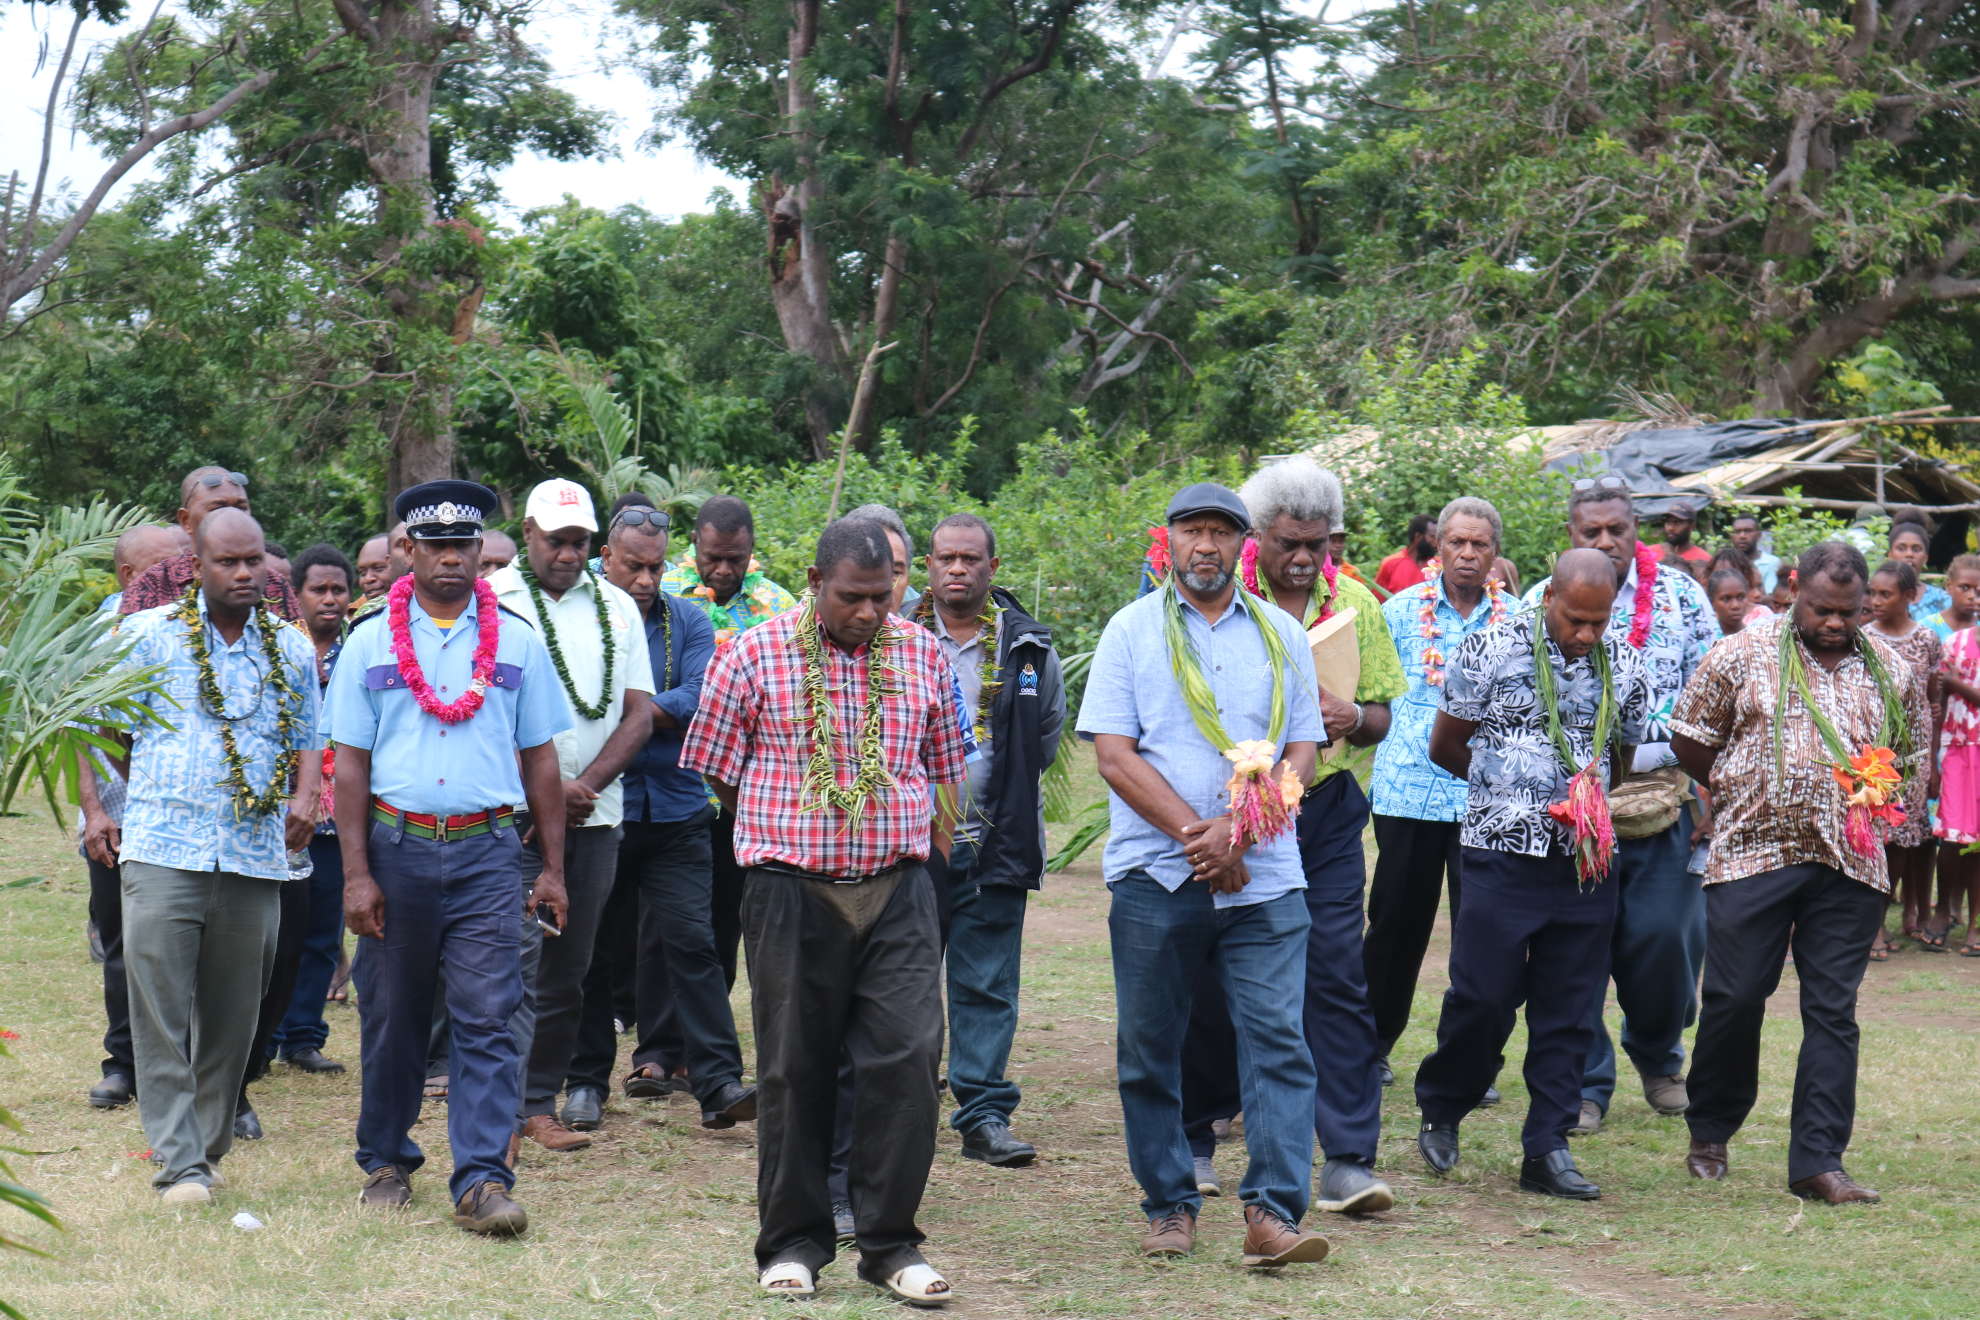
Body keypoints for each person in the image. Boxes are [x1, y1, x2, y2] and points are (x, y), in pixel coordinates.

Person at [681, 517, 966, 1305]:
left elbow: (945, 768)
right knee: (790, 1069)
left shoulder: (921, 653)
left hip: (899, 888)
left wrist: (905, 843)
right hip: (788, 888)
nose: (871, 613)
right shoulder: (753, 653)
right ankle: (793, 1243)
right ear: (814, 581)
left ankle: (889, 1243)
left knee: (908, 1062)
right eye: (852, 598)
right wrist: (787, 833)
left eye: (883, 596)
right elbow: (715, 769)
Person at [1079, 482, 1330, 1267]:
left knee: (1279, 1044)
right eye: (1194, 530)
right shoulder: (1130, 632)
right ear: (1170, 540)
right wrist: (1200, 837)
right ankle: (1169, 1203)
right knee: (1150, 1047)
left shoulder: (1281, 634)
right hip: (1158, 877)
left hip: (1268, 879)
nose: (1207, 546)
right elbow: (1115, 756)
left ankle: (1273, 1215)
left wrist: (1243, 835)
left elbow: (1304, 755)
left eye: (1223, 533)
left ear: (1242, 546)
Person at [324, 480, 571, 1236]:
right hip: (395, 851)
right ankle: (386, 1161)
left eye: (464, 545)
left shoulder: (519, 640)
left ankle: (482, 1181)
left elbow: (542, 761)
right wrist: (357, 874)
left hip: (488, 853)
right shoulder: (369, 640)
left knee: (488, 1016)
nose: (451, 558)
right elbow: (351, 765)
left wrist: (555, 869)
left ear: (479, 552)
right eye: (434, 545)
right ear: (408, 550)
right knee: (393, 1014)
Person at [1179, 460, 1405, 1217]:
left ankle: (1346, 1157)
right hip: (1233, 811)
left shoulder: (1361, 605)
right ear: (1255, 538)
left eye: (1318, 543)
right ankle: (1197, 1136)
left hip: (1327, 811)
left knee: (1336, 972)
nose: (1304, 559)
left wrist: (1351, 718)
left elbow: (1384, 715)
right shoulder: (1213, 596)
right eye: (1288, 543)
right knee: (1211, 966)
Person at [1672, 542, 1931, 1203]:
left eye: (1850, 612)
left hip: (1851, 864)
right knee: (1734, 997)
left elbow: (1912, 757)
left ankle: (1818, 1161)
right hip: (1753, 853)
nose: (1836, 623)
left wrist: (1881, 808)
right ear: (1797, 592)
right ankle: (1711, 1128)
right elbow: (1689, 732)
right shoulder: (1743, 652)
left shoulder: (1893, 670)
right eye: (1822, 610)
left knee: (1833, 1012)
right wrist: (1737, 786)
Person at [1414, 549, 1653, 1200]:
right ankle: (1443, 1104)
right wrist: (1507, 794)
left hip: (1584, 860)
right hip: (1500, 851)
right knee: (1483, 996)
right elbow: (1445, 744)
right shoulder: (1489, 650)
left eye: (1599, 622)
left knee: (1571, 1009)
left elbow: (1621, 755)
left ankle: (1546, 1147)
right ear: (1549, 597)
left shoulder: (1625, 664)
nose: (1586, 635)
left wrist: (1586, 808)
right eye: (1575, 619)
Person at [108, 507, 321, 1206]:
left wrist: (306, 794)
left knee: (235, 1017)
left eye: (253, 560)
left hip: (254, 856)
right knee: (161, 1013)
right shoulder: (149, 637)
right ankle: (179, 1165)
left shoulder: (289, 649)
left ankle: (205, 1143)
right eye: (228, 562)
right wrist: (109, 808)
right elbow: (92, 726)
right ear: (196, 566)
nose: (244, 573)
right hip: (164, 850)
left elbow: (309, 737)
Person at [1523, 474, 1716, 1136]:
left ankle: (1661, 1058)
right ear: (1570, 534)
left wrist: (1709, 787)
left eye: (1618, 530)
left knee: (1664, 939)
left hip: (1662, 800)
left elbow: (1717, 701)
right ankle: (1584, 1082)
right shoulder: (1538, 601)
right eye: (1590, 532)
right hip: (1570, 812)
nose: (1606, 542)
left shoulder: (1683, 600)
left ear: (1637, 528)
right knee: (1576, 949)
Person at [487, 479, 665, 1151]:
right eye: (556, 540)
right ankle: (495, 1114)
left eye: (579, 542)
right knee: (512, 962)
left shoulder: (616, 606)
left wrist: (582, 783)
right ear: (527, 532)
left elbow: (639, 711)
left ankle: (538, 1105)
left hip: (597, 813)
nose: (568, 553)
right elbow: (479, 709)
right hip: (512, 816)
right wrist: (543, 790)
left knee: (569, 966)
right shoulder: (491, 600)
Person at [570, 504, 752, 1135]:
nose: (647, 581)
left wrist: (631, 715)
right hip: (600, 810)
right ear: (605, 560)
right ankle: (586, 1082)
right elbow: (572, 702)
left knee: (694, 945)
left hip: (676, 808)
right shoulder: (581, 620)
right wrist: (651, 715)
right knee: (591, 951)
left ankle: (718, 1083)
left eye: (655, 567)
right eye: (633, 567)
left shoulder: (690, 619)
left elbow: (704, 695)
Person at [910, 513, 1065, 1169]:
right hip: (912, 847)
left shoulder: (1028, 650)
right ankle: (902, 1110)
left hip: (995, 840)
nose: (957, 569)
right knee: (904, 984)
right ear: (928, 564)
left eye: (970, 559)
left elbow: (1047, 736)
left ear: (992, 568)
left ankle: (983, 1116)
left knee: (988, 984)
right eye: (945, 558)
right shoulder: (897, 639)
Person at [1366, 498, 1510, 1082]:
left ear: (1495, 552)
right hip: (1408, 795)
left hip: (1486, 797)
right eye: (1457, 543)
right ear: (1438, 547)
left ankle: (1469, 1062)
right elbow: (1373, 694)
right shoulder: (1399, 612)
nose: (1468, 555)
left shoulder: (1518, 620)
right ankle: (1370, 1048)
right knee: (1396, 927)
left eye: (1479, 545)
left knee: (1485, 935)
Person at [663, 495, 799, 986]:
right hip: (675, 786)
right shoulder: (663, 594)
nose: (722, 569)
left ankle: (710, 1020)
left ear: (752, 550)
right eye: (712, 557)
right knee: (672, 918)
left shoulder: (780, 608)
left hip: (746, 795)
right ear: (694, 544)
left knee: (727, 915)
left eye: (734, 559)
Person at [79, 523, 190, 1109]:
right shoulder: (99, 634)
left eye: (187, 560)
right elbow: (75, 730)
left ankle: (196, 1069)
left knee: (192, 945)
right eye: (167, 564)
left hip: (190, 819)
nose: (182, 571)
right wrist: (94, 811)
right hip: (121, 818)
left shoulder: (206, 624)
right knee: (124, 947)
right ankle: (124, 1063)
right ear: (129, 576)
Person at [266, 544, 358, 1075]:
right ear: (295, 594)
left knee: (323, 930)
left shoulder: (361, 650)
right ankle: (267, 1030)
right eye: (317, 590)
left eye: (338, 589)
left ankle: (304, 1036)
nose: (329, 599)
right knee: (275, 929)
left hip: (336, 816)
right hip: (282, 813)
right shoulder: (278, 653)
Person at [1861, 560, 1942, 957]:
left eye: (1885, 594)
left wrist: (1932, 763)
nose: (1875, 601)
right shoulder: (1863, 639)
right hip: (1873, 756)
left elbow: (1932, 700)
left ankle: (1882, 918)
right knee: (1873, 836)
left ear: (1909, 597)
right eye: (1872, 593)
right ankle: (1871, 928)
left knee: (1901, 841)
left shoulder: (1926, 639)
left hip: (1913, 756)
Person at [120, 467, 302, 620]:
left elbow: (302, 657)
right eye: (218, 508)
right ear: (186, 520)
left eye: (241, 507)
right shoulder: (152, 585)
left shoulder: (274, 585)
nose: (232, 516)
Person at [1931, 556, 1980, 952]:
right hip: (1959, 750)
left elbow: (1951, 687)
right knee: (1951, 837)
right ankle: (1945, 908)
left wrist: (1955, 683)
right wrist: (1933, 757)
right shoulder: (1954, 645)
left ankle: (1976, 924)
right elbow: (1938, 705)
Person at [847, 502, 922, 614]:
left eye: (895, 572)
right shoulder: (813, 626)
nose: (883, 585)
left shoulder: (920, 624)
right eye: (866, 567)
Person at [1888, 522, 1950, 621]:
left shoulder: (1943, 599)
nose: (1909, 554)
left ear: (1925, 558)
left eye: (1916, 549)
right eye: (1901, 548)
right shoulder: (1877, 597)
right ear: (1890, 555)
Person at [1375, 514, 1437, 596]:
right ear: (1418, 536)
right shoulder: (1391, 563)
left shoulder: (1440, 566)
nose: (1437, 542)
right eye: (1432, 537)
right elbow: (1377, 600)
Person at [1726, 513, 1781, 593]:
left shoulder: (1771, 563)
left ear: (1759, 535)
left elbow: (1771, 596)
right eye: (1737, 531)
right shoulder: (1725, 563)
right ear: (1732, 536)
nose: (1742, 536)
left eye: (1748, 531)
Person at [1658, 503, 1711, 581]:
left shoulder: (1704, 559)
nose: (1670, 528)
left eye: (1677, 522)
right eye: (1668, 522)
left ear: (1692, 525)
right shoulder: (1649, 553)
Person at [355, 534, 392, 600]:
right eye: (362, 573)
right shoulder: (353, 609)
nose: (368, 579)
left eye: (379, 569)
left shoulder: (415, 605)